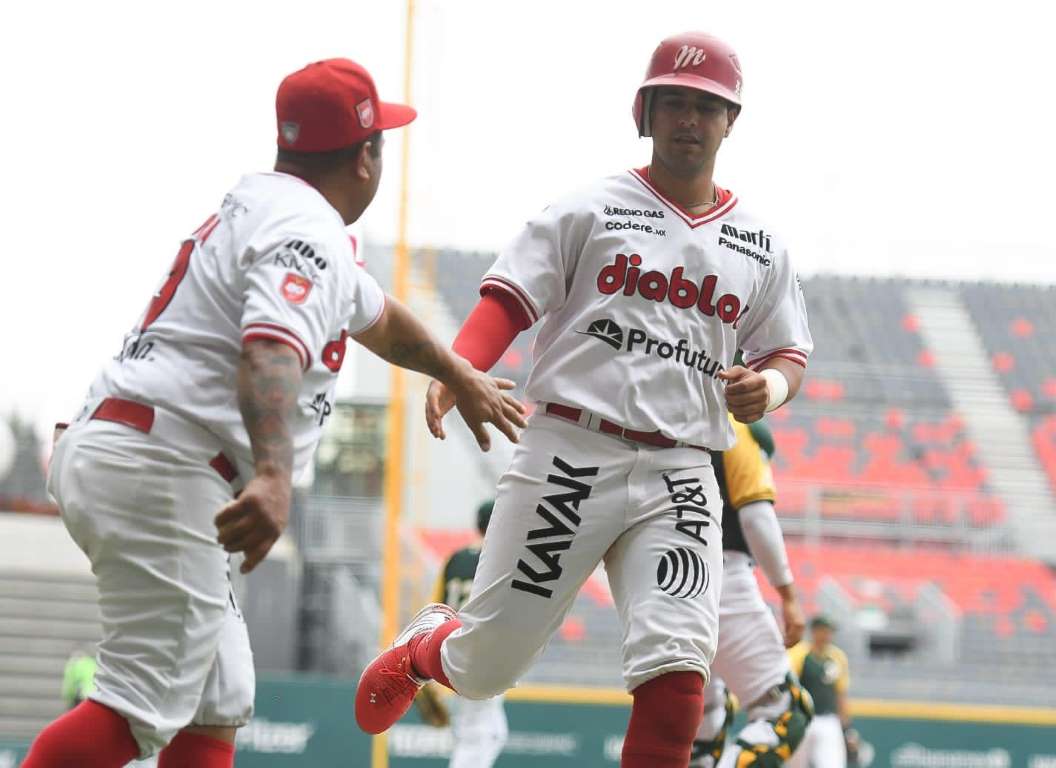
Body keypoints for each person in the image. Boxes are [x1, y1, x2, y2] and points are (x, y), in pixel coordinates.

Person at [23, 57, 524, 768]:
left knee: (218, 693)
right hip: (166, 462)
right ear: (366, 155)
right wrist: (274, 475)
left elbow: (380, 320)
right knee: (139, 701)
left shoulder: (280, 214)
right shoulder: (307, 228)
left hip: (143, 447)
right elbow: (270, 348)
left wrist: (457, 372)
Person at [355, 31, 813, 767]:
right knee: (486, 666)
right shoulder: (590, 209)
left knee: (680, 674)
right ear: (645, 112)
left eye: (706, 106)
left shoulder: (760, 244)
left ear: (731, 122)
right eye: (673, 103)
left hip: (683, 469)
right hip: (572, 449)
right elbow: (510, 296)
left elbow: (788, 352)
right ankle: (427, 646)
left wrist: (775, 387)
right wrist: (460, 369)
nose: (689, 120)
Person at [691, 415, 813, 768]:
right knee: (785, 714)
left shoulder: (668, 407)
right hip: (721, 574)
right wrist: (788, 595)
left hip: (663, 576)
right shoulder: (733, 424)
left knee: (700, 714)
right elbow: (756, 516)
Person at [416, 500, 510, 768]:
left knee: (492, 732)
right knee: (476, 736)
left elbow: (437, 610)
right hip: (486, 655)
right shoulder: (500, 559)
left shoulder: (455, 560)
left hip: (452, 653)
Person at [786, 617, 855, 768]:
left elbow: (841, 694)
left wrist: (848, 729)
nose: (827, 635)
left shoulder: (837, 656)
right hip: (802, 719)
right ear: (814, 631)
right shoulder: (799, 653)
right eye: (824, 631)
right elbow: (789, 688)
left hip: (828, 719)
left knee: (832, 764)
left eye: (830, 632)